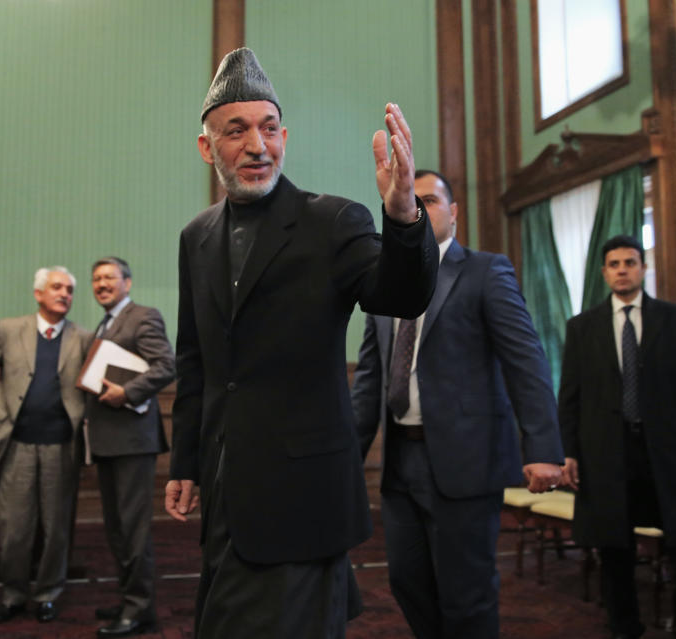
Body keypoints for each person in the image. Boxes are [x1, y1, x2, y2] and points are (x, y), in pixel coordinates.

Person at [165, 47, 438, 639]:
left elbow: (398, 295)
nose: (257, 146)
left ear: (284, 135)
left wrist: (403, 217)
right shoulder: (196, 237)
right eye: (236, 131)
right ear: (207, 147)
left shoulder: (333, 221)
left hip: (303, 495)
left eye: (268, 128)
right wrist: (184, 460)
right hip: (225, 488)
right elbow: (196, 360)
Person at [350, 170, 564, 638]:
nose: (420, 209)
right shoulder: (384, 285)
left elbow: (525, 361)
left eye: (430, 199)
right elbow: (369, 381)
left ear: (455, 213)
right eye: (409, 201)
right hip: (400, 463)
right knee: (406, 583)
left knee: (466, 595)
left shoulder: (486, 272)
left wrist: (544, 448)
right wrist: (344, 458)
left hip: (465, 463)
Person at [558, 235, 676, 639]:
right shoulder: (581, 328)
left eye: (630, 262)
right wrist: (568, 453)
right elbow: (569, 398)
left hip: (667, 454)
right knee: (614, 550)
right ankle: (624, 628)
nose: (622, 269)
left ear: (643, 268)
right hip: (607, 455)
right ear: (604, 273)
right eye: (614, 263)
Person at [0, 267, 91, 625]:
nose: (64, 293)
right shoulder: (10, 329)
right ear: (38, 294)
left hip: (60, 447)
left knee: (56, 530)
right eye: (56, 287)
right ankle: (13, 594)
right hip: (16, 445)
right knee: (15, 528)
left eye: (69, 289)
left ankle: (48, 593)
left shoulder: (82, 338)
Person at [85, 257, 175, 637]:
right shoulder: (104, 323)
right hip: (107, 438)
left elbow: (167, 364)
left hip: (133, 440)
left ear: (128, 282)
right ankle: (129, 599)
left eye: (110, 277)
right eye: (96, 279)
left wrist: (128, 392)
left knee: (133, 530)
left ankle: (140, 610)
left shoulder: (142, 316)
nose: (102, 284)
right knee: (117, 529)